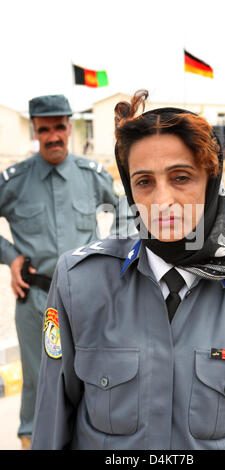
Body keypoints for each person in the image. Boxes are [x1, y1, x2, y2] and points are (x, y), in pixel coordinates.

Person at [31, 90, 225, 450]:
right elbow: (51, 421)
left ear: (211, 181)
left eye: (181, 177)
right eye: (144, 182)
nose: (161, 201)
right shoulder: (80, 282)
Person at [0, 94, 133, 449]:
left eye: (60, 127)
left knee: (96, 373)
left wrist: (114, 255)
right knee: (37, 379)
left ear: (69, 127)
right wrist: (10, 256)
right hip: (37, 299)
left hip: (91, 296)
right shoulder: (14, 182)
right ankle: (32, 440)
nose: (53, 136)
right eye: (45, 129)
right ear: (35, 131)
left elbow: (124, 207)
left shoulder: (91, 176)